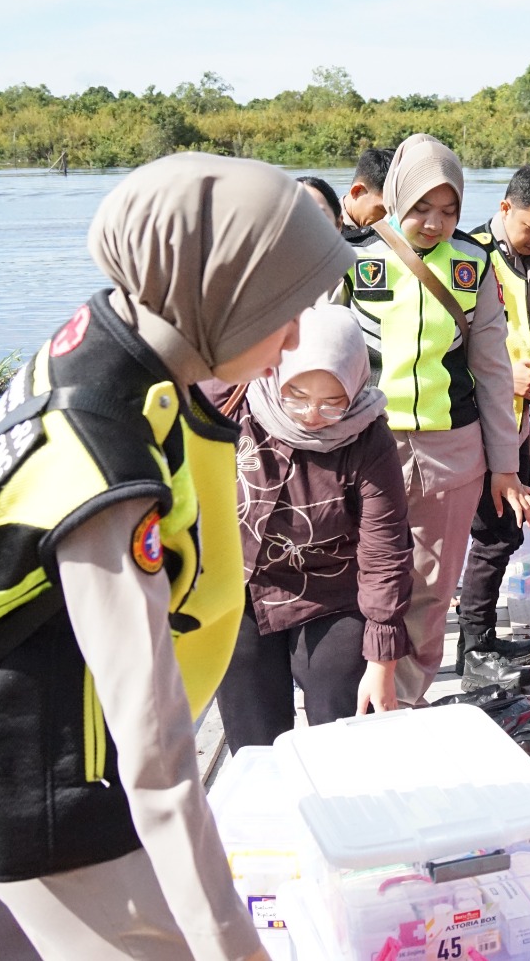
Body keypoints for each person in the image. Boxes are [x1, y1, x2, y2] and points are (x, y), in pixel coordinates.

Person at [0, 154, 353, 961]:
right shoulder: (103, 466)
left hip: (39, 743)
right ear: (216, 293)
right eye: (282, 311)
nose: (294, 340)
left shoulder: (111, 340)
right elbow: (159, 770)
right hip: (43, 789)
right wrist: (235, 949)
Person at [338, 133, 530, 705]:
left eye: (448, 211)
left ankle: (405, 698)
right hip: (365, 447)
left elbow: (494, 372)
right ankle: (354, 695)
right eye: (422, 207)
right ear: (396, 196)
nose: (434, 223)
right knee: (365, 576)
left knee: (430, 583)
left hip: (453, 451)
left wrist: (504, 466)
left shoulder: (475, 265)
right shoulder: (355, 259)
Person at [208, 302, 412, 749]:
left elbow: (385, 547)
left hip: (330, 593)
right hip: (241, 586)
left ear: (356, 386)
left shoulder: (369, 438)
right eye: (296, 395)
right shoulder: (234, 401)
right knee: (254, 737)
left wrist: (382, 661)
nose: (311, 414)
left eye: (332, 402)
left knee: (338, 720)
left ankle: (340, 805)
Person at [456, 163, 530, 687]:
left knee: (503, 532)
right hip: (475, 416)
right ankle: (473, 647)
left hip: (518, 418)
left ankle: (478, 638)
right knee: (494, 530)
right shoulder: (468, 255)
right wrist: (503, 374)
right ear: (505, 208)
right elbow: (444, 339)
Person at [340, 146, 394, 231]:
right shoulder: (326, 226)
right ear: (357, 191)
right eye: (383, 209)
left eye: (394, 212)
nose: (389, 219)